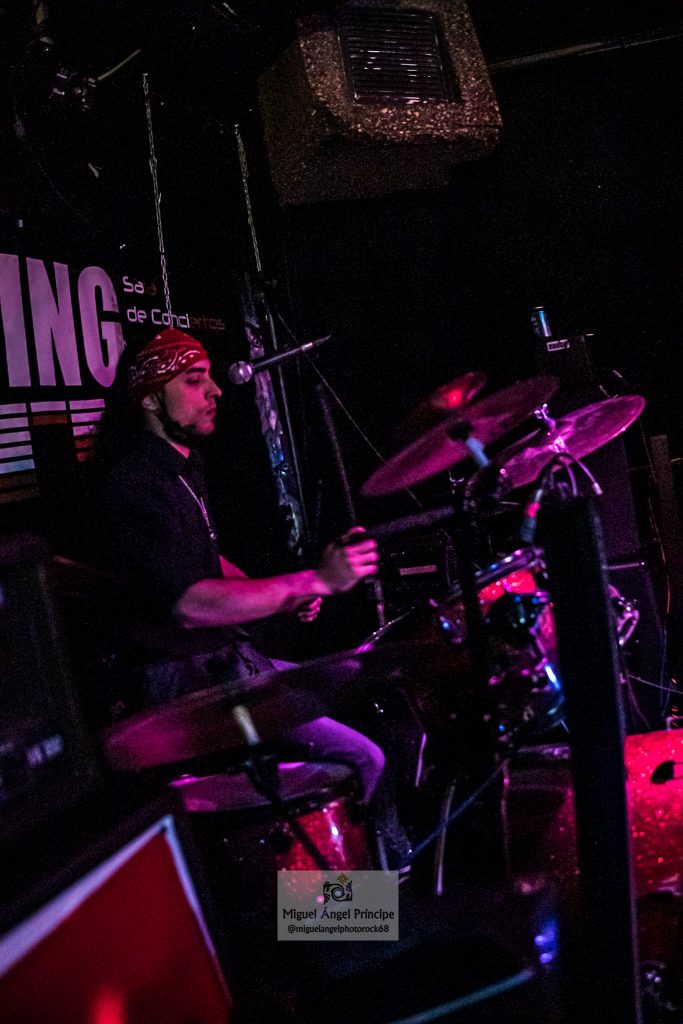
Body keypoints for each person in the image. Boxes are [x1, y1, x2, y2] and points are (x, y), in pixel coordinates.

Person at [91, 327, 409, 866]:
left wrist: (285, 593)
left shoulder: (180, 467)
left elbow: (205, 560)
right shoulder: (134, 485)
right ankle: (366, 902)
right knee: (363, 760)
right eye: (194, 381)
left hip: (220, 665)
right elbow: (190, 603)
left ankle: (361, 892)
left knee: (368, 691)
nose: (215, 390)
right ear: (149, 398)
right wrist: (314, 582)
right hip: (180, 684)